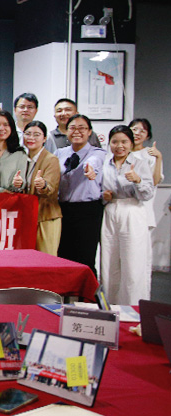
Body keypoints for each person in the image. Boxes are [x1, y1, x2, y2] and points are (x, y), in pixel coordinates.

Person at [100, 125, 155, 305]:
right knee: (109, 262)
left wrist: (137, 180)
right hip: (110, 211)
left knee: (133, 262)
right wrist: (104, 196)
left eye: (124, 141)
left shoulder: (140, 163)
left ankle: (133, 307)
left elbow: (147, 194)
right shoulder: (105, 163)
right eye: (115, 142)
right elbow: (99, 190)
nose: (119, 146)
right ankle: (110, 306)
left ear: (131, 143)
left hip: (132, 210)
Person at [55, 114, 107, 273]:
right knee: (64, 255)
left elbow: (94, 163)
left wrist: (90, 170)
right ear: (66, 131)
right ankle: (66, 288)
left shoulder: (98, 153)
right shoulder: (59, 153)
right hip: (63, 210)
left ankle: (87, 289)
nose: (77, 131)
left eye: (82, 128)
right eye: (72, 128)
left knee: (85, 256)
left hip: (88, 211)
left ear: (89, 132)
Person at [15, 121, 61, 255]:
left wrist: (43, 185)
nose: (31, 138)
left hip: (46, 217)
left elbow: (51, 188)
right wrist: (18, 185)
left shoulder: (51, 159)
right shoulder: (22, 158)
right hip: (27, 216)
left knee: (46, 257)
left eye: (36, 135)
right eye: (28, 134)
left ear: (44, 138)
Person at [129, 119, 164, 260]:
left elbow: (154, 182)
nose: (137, 133)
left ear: (147, 136)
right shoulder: (120, 152)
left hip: (143, 207)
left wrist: (159, 157)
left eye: (142, 131)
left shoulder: (150, 154)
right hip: (123, 207)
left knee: (140, 253)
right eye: (134, 129)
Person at [0, 110, 27, 193]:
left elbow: (22, 183)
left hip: (12, 198)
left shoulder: (20, 154)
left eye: (6, 125)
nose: (1, 128)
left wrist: (19, 183)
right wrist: (1, 191)